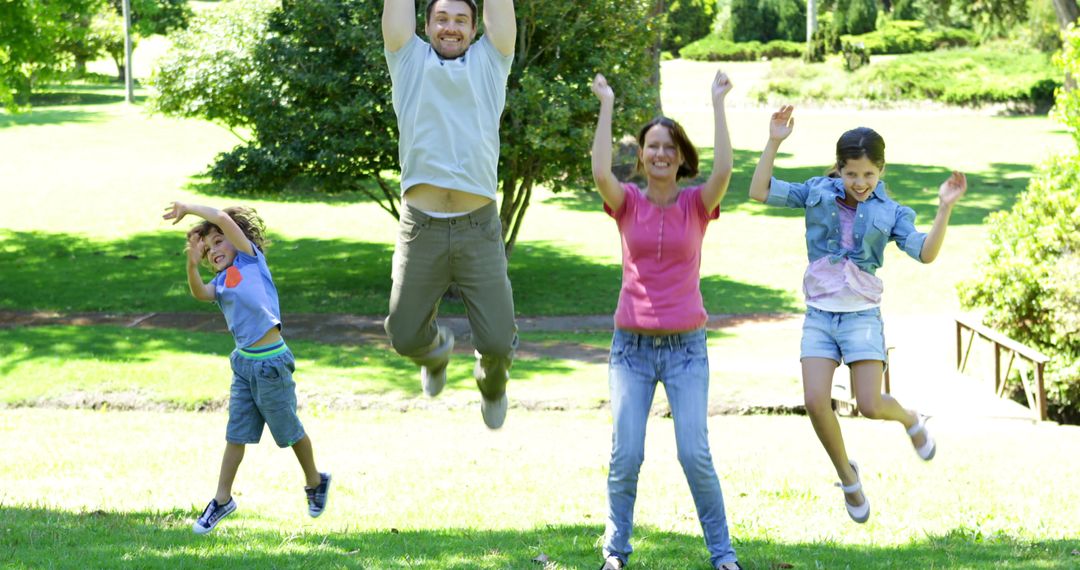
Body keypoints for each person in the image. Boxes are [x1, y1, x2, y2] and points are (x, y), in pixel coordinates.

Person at [748, 106, 967, 523]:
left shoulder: (891, 211)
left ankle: (909, 418)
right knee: (815, 401)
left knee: (868, 403)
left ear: (880, 170)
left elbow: (925, 252)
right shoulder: (816, 191)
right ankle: (848, 477)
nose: (860, 183)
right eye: (851, 174)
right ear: (839, 168)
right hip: (820, 316)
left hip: (863, 317)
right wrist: (774, 140)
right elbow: (759, 191)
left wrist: (944, 209)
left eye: (868, 174)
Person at [591, 71, 742, 570]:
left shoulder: (697, 205)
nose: (660, 154)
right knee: (626, 456)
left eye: (668, 147)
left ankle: (723, 556)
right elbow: (599, 174)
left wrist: (717, 103)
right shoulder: (627, 202)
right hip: (630, 350)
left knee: (694, 455)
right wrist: (607, 104)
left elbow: (724, 170)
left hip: (686, 350)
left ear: (680, 157)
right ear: (642, 156)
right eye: (651, 146)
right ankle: (615, 552)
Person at [381, 0, 518, 429]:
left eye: (461, 20)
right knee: (403, 335)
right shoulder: (408, 58)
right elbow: (397, 14)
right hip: (421, 228)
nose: (451, 28)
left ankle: (492, 383)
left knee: (497, 341)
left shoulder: (492, 62)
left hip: (478, 227)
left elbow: (501, 16)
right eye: (441, 19)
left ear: (476, 29)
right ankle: (436, 351)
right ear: (426, 25)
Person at [163, 202, 330, 535]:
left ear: (236, 240)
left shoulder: (252, 261)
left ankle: (315, 480)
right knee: (236, 434)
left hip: (271, 364)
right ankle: (222, 500)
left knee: (288, 433)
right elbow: (200, 293)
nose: (214, 251)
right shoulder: (223, 282)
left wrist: (188, 208)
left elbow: (222, 218)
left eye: (219, 242)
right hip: (243, 365)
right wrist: (191, 264)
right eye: (208, 249)